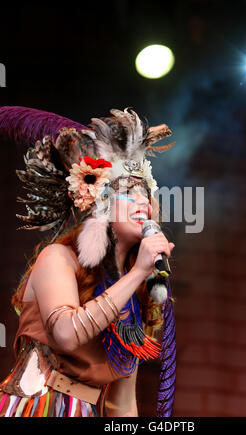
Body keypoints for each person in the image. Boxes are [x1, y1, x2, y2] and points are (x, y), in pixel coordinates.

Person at [0, 106, 177, 417]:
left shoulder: (135, 293)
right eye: (126, 191)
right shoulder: (58, 258)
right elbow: (66, 335)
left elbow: (121, 402)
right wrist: (137, 273)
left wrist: (137, 276)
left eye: (145, 193)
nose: (141, 201)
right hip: (39, 406)